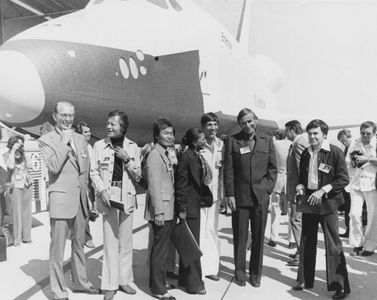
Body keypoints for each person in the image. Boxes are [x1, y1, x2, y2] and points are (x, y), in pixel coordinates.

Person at [39, 101, 99, 300]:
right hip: (61, 201)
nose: (67, 119)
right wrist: (64, 142)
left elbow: (85, 171)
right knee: (58, 249)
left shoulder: (81, 139)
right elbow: (54, 167)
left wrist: (89, 200)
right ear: (55, 116)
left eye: (70, 115)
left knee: (79, 244)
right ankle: (58, 290)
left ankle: (80, 282)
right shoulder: (46, 140)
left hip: (81, 201)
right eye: (63, 115)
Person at [292, 119, 350, 300]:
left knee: (332, 245)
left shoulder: (335, 152)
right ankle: (304, 280)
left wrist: (322, 190)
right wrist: (300, 187)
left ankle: (339, 286)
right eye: (309, 134)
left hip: (329, 202)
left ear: (324, 134)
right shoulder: (306, 154)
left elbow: (343, 179)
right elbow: (302, 177)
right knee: (307, 241)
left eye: (315, 133)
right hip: (310, 201)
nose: (312, 137)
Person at [90, 110, 141, 300]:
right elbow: (93, 172)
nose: (108, 127)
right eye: (108, 123)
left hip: (127, 195)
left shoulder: (133, 147)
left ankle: (124, 280)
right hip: (107, 195)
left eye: (113, 124)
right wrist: (101, 190)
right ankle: (109, 284)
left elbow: (138, 176)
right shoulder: (98, 146)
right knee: (110, 241)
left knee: (126, 241)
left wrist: (127, 160)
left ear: (123, 127)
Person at [224, 108, 277, 287]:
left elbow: (272, 168)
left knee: (258, 238)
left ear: (256, 120)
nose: (247, 125)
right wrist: (230, 194)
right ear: (239, 124)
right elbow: (228, 170)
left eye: (250, 121)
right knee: (240, 237)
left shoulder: (267, 140)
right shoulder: (233, 141)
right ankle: (240, 273)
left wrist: (267, 190)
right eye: (243, 123)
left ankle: (255, 275)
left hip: (260, 197)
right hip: (239, 198)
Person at [175, 128, 212, 295]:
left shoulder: (195, 155)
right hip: (189, 207)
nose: (205, 140)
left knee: (189, 243)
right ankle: (194, 284)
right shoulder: (186, 157)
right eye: (202, 138)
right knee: (192, 245)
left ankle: (185, 279)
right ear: (194, 141)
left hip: (194, 204)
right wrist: (182, 208)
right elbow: (181, 185)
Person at [144, 118, 177, 300]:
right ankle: (158, 290)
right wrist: (158, 212)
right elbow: (154, 185)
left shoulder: (165, 153)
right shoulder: (155, 155)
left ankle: (158, 281)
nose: (170, 136)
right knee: (160, 250)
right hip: (161, 210)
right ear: (157, 135)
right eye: (166, 133)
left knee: (161, 249)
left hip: (167, 207)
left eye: (171, 133)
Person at [199, 112, 224, 281]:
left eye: (215, 124)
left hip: (215, 196)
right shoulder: (198, 146)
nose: (213, 128)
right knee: (200, 232)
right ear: (203, 127)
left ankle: (212, 268)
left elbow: (223, 173)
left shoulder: (222, 145)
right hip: (200, 196)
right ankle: (199, 270)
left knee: (212, 231)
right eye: (209, 125)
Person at [346, 121, 377, 256]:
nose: (365, 135)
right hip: (356, 182)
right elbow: (347, 160)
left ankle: (370, 246)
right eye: (363, 133)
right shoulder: (355, 143)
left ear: (374, 133)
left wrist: (368, 159)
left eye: (368, 133)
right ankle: (357, 243)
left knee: (372, 216)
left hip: (372, 183)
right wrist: (353, 161)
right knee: (354, 214)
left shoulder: (376, 144)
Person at [285, 120, 309, 266]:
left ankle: (302, 254)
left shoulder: (299, 143)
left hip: (298, 191)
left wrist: (300, 190)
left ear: (293, 129)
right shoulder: (297, 142)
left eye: (287, 130)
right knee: (297, 220)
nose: (285, 133)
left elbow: (303, 168)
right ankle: (300, 251)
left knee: (296, 220)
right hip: (295, 189)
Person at [3, 135, 32, 247]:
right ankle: (17, 239)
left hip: (26, 183)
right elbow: (10, 166)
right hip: (15, 185)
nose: (21, 145)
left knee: (26, 211)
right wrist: (13, 150)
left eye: (22, 143)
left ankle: (27, 237)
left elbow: (30, 166)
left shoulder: (24, 154)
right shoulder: (7, 154)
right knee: (17, 213)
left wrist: (25, 152)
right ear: (12, 144)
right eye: (18, 143)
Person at [268, 131, 291, 247]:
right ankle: (291, 240)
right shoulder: (291, 144)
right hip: (289, 179)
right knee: (291, 211)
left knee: (275, 210)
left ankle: (273, 238)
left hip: (277, 179)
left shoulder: (274, 144)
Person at [76, 121, 96, 249]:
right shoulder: (78, 148)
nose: (88, 134)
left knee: (89, 211)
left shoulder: (90, 147)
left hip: (90, 183)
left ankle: (82, 236)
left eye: (89, 131)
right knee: (83, 212)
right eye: (85, 132)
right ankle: (86, 237)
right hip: (81, 184)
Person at [337, 129, 352, 238]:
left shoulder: (351, 148)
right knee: (348, 207)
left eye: (341, 139)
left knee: (349, 207)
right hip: (347, 183)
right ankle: (349, 229)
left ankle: (350, 230)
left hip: (351, 182)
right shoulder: (346, 148)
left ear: (344, 137)